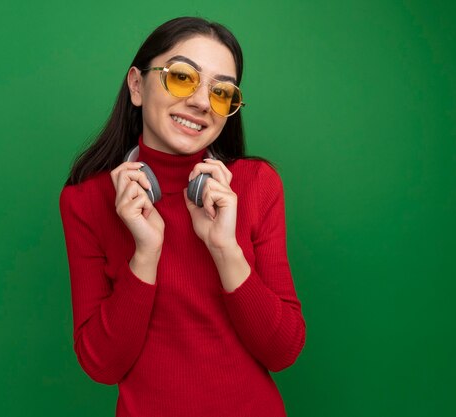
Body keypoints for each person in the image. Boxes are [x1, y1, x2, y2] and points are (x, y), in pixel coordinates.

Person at [59, 16, 306, 417]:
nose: (201, 102)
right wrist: (145, 252)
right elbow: (102, 365)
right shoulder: (86, 201)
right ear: (137, 86)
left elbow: (283, 351)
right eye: (181, 77)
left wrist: (225, 249)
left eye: (221, 90)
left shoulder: (257, 185)